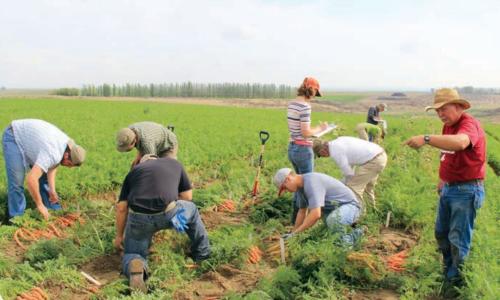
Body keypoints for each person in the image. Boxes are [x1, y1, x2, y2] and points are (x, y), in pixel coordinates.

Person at [404, 88, 485, 292]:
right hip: (450, 188)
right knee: (441, 233)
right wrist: (442, 179)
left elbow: (460, 143)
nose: (440, 114)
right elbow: (448, 154)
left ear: (458, 107)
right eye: (437, 111)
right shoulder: (447, 127)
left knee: (458, 239)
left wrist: (426, 138)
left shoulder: (468, 124)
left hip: (466, 190)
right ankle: (449, 269)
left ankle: (454, 283)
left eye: (443, 109)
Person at [114, 154, 210, 292]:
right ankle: (202, 254)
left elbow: (122, 207)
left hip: (139, 218)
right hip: (169, 213)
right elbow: (187, 197)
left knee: (133, 253)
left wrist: (119, 236)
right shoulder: (173, 163)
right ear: (157, 159)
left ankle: (137, 265)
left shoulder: (133, 172)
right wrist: (173, 206)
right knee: (192, 210)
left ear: (141, 164)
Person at [2, 119, 86, 220]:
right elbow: (31, 179)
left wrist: (52, 190)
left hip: (33, 143)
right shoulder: (53, 152)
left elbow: (53, 165)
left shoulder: (67, 147)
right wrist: (39, 204)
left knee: (43, 176)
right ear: (67, 155)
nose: (68, 167)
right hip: (14, 136)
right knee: (17, 181)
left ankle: (53, 211)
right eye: (69, 164)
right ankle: (17, 218)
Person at [273, 168, 363, 245]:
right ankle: (348, 227)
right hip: (334, 209)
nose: (287, 191)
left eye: (285, 188)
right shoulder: (300, 188)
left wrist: (296, 233)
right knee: (329, 231)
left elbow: (316, 214)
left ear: (288, 179)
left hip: (350, 206)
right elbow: (302, 212)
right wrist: (293, 235)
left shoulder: (311, 182)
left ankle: (353, 239)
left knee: (334, 221)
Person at [287, 77, 328, 223]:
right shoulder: (305, 107)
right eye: (315, 92)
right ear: (310, 89)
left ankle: (294, 220)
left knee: (297, 184)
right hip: (303, 150)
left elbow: (297, 129)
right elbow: (305, 132)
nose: (313, 97)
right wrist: (321, 129)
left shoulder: (292, 104)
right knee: (307, 186)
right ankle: (302, 224)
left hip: (292, 148)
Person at [313, 137, 387, 206]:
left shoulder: (335, 152)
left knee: (353, 188)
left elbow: (348, 174)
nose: (323, 157)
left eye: (320, 155)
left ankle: (359, 214)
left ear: (322, 151)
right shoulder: (338, 141)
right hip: (380, 155)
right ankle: (372, 208)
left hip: (373, 161)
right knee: (368, 187)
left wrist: (340, 185)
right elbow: (350, 166)